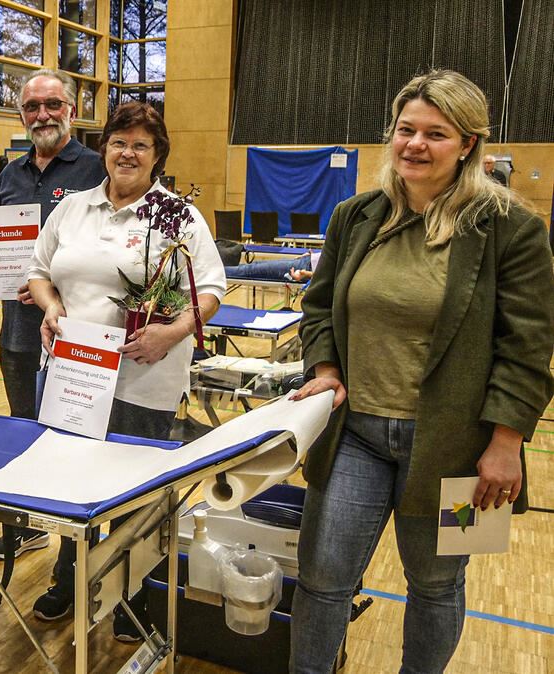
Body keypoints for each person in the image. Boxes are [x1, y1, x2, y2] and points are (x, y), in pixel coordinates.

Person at [289, 70, 554, 673]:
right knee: (323, 576)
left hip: (458, 449)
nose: (415, 144)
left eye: (436, 133)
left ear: (467, 144)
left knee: (436, 583)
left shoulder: (511, 228)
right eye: (406, 129)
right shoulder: (356, 216)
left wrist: (507, 442)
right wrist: (326, 367)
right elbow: (320, 307)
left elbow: (529, 346)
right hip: (355, 434)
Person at [26, 101, 226, 638]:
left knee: (133, 496)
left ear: (157, 155)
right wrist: (50, 306)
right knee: (69, 486)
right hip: (71, 374)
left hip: (143, 381)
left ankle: (131, 595)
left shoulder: (178, 216)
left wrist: (172, 332)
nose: (128, 152)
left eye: (141, 144)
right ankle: (68, 578)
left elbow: (210, 290)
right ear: (104, 149)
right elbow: (39, 272)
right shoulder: (72, 208)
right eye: (119, 142)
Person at [0, 68, 106, 562]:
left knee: (75, 443)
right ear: (21, 114)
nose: (43, 115)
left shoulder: (99, 169)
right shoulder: (6, 177)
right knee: (21, 432)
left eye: (53, 104)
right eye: (32, 107)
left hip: (76, 335)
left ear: (71, 110)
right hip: (17, 331)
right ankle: (25, 525)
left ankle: (74, 556)